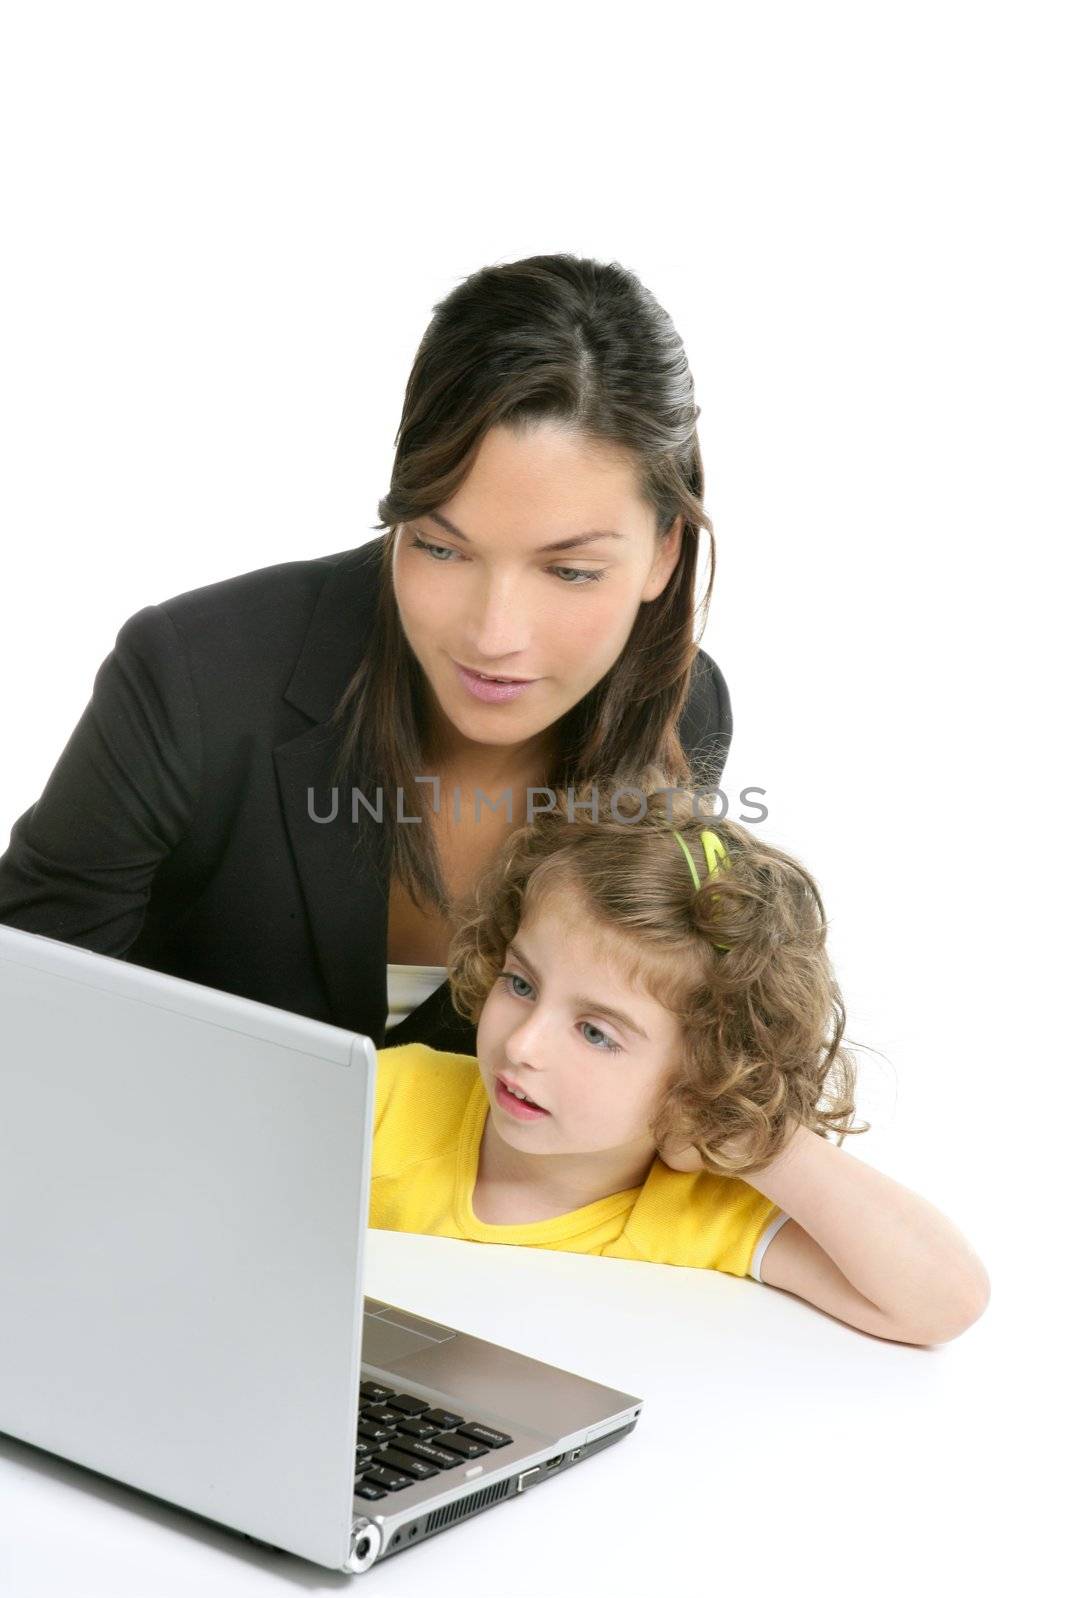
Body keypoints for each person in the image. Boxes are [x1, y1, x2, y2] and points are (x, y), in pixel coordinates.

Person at [0, 255, 732, 1055]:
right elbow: (27, 1003)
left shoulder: (684, 713)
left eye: (569, 571)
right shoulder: (193, 673)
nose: (493, 634)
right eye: (441, 549)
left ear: (664, 553)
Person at [371, 776, 992, 1346]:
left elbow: (944, 1301)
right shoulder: (388, 1100)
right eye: (522, 984)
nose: (522, 1046)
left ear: (705, 1068)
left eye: (594, 1032)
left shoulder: (702, 1210)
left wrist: (748, 1133)